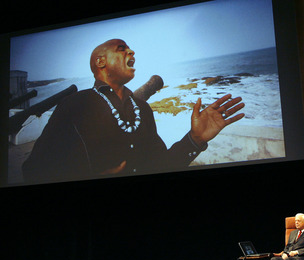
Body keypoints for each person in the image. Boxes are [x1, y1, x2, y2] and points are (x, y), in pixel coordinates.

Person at [23, 39, 245, 183]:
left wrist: (194, 139)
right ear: (100, 62)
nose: (131, 51)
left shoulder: (142, 109)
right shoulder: (74, 105)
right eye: (122, 49)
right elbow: (33, 171)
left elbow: (161, 166)